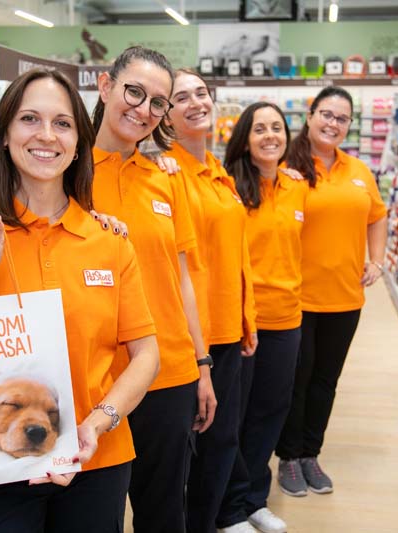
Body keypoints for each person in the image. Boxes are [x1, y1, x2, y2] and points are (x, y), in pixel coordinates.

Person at [0, 69, 160, 532]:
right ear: (5, 134)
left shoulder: (109, 241)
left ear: (78, 142)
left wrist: (97, 424)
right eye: (30, 119)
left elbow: (146, 355)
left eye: (63, 123)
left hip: (97, 461)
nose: (46, 136)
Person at [91, 46, 215, 533]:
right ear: (105, 87)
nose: (143, 109)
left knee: (164, 513)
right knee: (96, 514)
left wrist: (202, 365)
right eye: (133, 92)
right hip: (96, 380)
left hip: (168, 375)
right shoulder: (65, 172)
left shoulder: (167, 179)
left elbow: (180, 276)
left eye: (157, 102)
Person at [276, 86, 387, 497]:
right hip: (296, 298)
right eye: (326, 114)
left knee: (326, 380)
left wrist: (377, 260)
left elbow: (377, 216)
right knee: (296, 380)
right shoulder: (286, 166)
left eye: (342, 118)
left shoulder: (359, 171)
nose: (333, 123)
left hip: (345, 298)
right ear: (310, 115)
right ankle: (288, 458)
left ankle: (310, 453)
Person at [164, 68, 258, 533]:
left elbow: (235, 253)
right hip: (190, 335)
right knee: (191, 450)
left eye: (201, 93)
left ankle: (210, 522)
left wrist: (247, 318)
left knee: (221, 443)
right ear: (165, 112)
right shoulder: (168, 172)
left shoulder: (218, 171)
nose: (196, 102)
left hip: (225, 328)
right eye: (182, 97)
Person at [217, 102, 308, 533]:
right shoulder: (230, 187)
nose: (270, 135)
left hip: (287, 319)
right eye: (259, 129)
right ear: (245, 138)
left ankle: (255, 499)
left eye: (277, 128)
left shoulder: (297, 187)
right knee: (233, 418)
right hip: (242, 323)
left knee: (270, 413)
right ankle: (230, 507)